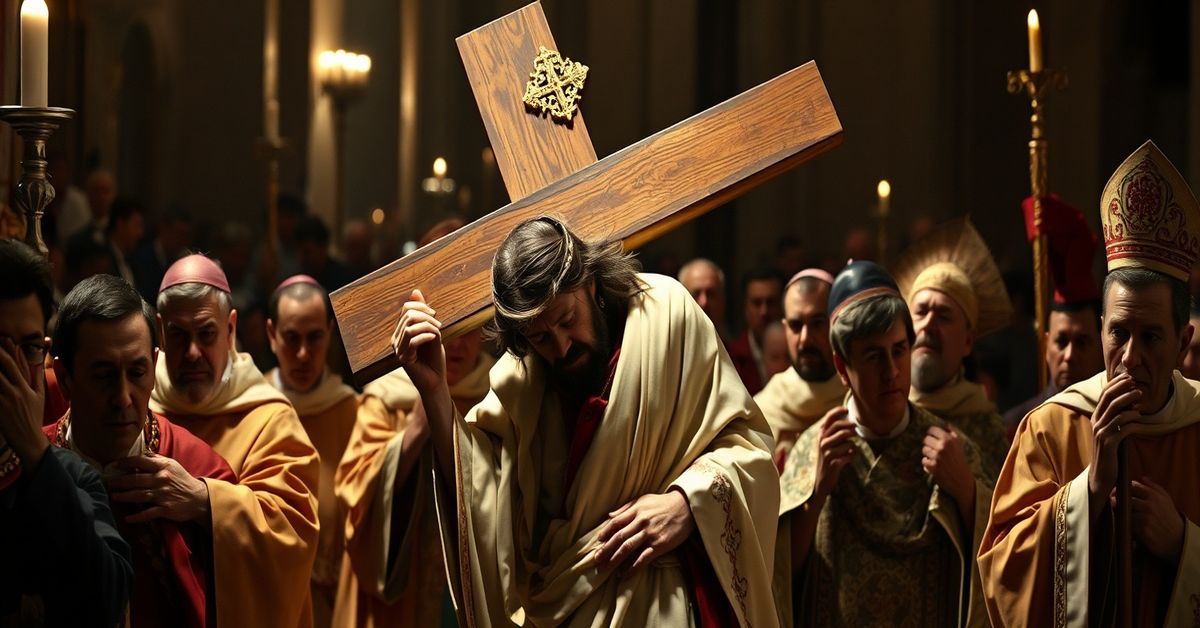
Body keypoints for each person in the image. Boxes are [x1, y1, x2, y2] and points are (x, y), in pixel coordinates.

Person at [390, 216, 779, 626]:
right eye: (540, 338)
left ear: (590, 283)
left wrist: (687, 503)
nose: (561, 347)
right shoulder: (522, 381)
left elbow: (748, 445)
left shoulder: (668, 317)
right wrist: (434, 392)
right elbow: (484, 495)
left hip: (669, 600)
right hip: (570, 608)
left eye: (566, 320)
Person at [980, 140, 1200, 625]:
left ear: (1184, 342)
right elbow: (1000, 571)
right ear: (1101, 327)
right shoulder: (1051, 428)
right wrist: (1090, 489)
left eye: (1151, 337)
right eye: (1118, 333)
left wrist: (1183, 544)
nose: (1130, 357)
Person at [775, 260, 991, 627]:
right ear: (843, 369)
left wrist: (968, 493)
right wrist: (816, 494)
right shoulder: (816, 450)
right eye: (874, 357)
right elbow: (777, 574)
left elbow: (1003, 552)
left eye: (899, 350)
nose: (891, 371)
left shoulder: (950, 448)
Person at [45, 274, 236, 627]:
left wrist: (204, 507)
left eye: (137, 372)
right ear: (64, 377)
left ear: (155, 362)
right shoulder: (31, 465)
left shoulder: (198, 468)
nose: (123, 398)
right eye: (103, 376)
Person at [333, 223, 495, 627]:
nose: (454, 344)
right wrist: (414, 434)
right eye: (443, 326)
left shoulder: (502, 393)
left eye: (467, 325)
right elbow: (353, 498)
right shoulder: (388, 396)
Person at [150, 253, 321, 628]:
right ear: (160, 331)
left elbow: (292, 533)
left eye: (206, 334)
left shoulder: (271, 419)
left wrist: (201, 501)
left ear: (230, 329)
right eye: (179, 335)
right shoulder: (140, 407)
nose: (193, 352)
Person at [0, 239, 132, 626]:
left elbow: (107, 602)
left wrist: (35, 453)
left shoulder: (73, 477)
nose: (13, 371)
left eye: (26, 349)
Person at [265, 275, 359, 627]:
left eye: (315, 338)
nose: (303, 354)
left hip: (333, 602)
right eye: (291, 338)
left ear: (330, 334)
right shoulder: (251, 408)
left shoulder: (353, 410)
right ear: (271, 335)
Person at [892, 218, 1011, 479]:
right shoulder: (883, 410)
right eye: (921, 311)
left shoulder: (989, 430)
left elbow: (1007, 516)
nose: (929, 324)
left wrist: (965, 489)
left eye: (944, 315)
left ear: (968, 341)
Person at [1003, 195, 1105, 431]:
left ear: (1102, 348)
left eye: (1082, 342)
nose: (1069, 356)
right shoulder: (1016, 427)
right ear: (1046, 345)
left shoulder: (1120, 424)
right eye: (1061, 341)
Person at [753, 269, 847, 470]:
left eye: (817, 324)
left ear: (836, 323)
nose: (805, 339)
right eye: (796, 326)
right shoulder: (763, 410)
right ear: (785, 328)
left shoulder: (859, 398)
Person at [727, 268, 783, 394]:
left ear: (782, 305)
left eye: (771, 302)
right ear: (745, 308)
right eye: (757, 303)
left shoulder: (797, 354)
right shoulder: (730, 359)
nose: (764, 312)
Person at [678, 258, 729, 338]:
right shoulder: (668, 349)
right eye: (695, 294)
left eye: (711, 294)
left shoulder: (734, 350)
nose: (704, 302)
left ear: (722, 300)